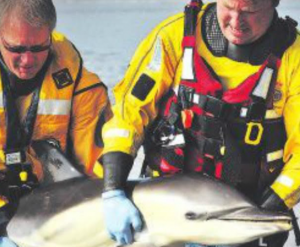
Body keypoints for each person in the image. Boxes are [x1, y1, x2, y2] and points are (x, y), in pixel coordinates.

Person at [101, 0, 300, 246]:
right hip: (164, 211)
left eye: (250, 11)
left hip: (245, 214)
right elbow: (128, 112)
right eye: (228, 7)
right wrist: (112, 190)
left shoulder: (295, 58)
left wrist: (267, 211)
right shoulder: (173, 36)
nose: (236, 22)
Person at [0, 0, 111, 246]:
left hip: (53, 207)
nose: (27, 60)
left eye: (38, 47)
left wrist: (103, 200)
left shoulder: (81, 83)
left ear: (50, 36)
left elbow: (94, 164)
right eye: (16, 49)